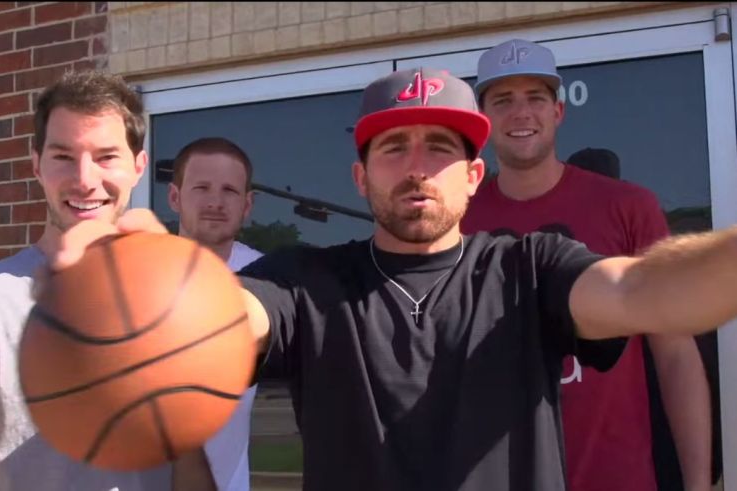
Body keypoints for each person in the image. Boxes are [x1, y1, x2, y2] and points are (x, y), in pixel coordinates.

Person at [43, 67, 737, 491]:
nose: (415, 165)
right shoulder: (309, 280)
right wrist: (160, 293)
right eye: (392, 146)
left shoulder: (530, 266)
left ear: (472, 176)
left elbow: (641, 290)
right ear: (359, 174)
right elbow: (229, 317)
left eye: (439, 146)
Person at [0, 71, 213, 491]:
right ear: (36, 165)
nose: (84, 179)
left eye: (105, 157)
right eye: (63, 156)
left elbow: (186, 465)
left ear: (138, 167)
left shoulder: (174, 302)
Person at [461, 38, 713, 491]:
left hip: (615, 478)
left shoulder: (629, 207)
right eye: (503, 100)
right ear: (482, 121)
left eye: (535, 98)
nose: (521, 113)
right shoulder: (459, 216)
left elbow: (674, 353)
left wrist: (698, 483)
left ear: (558, 111)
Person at [167, 137, 263, 491]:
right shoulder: (138, 273)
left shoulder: (267, 277)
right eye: (202, 188)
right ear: (174, 197)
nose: (215, 202)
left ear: (247, 204)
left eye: (229, 191)